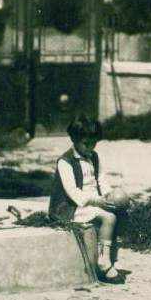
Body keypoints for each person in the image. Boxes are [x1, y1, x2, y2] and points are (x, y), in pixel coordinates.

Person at [48, 116, 125, 284]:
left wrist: (108, 195)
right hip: (71, 206)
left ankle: (109, 253)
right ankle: (104, 263)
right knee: (109, 217)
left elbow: (101, 180)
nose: (90, 147)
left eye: (93, 143)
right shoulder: (65, 162)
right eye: (86, 143)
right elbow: (73, 192)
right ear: (75, 140)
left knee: (119, 210)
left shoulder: (94, 157)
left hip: (93, 202)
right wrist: (97, 201)